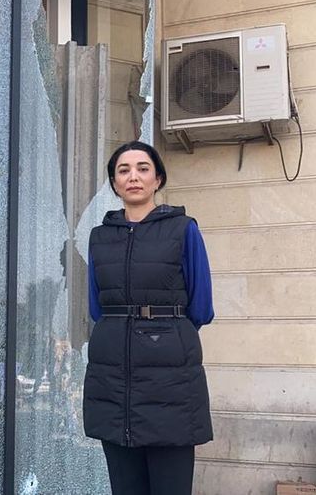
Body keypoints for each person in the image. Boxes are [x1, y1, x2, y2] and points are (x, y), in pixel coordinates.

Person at [83, 140, 214, 495]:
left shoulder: (183, 229)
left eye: (143, 169)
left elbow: (201, 307)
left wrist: (160, 334)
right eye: (123, 170)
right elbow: (96, 307)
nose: (133, 177)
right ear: (114, 183)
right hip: (112, 377)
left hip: (170, 379)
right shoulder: (99, 238)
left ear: (158, 179)